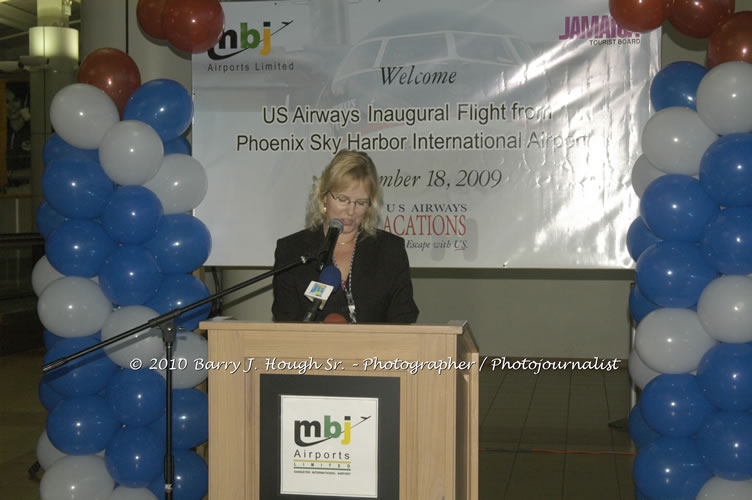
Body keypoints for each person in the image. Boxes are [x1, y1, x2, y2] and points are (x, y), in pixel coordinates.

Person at [272, 150, 419, 323]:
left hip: (376, 350)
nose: (351, 211)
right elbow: (284, 322)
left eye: (361, 202)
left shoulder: (390, 250)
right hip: (309, 350)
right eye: (342, 199)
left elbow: (403, 320)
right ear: (324, 196)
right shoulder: (292, 250)